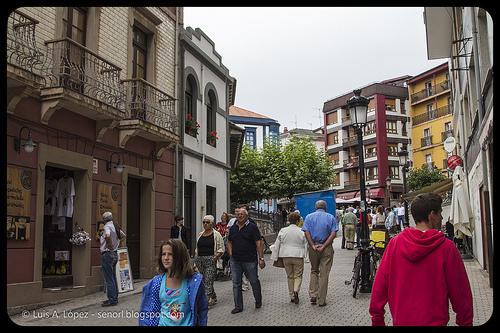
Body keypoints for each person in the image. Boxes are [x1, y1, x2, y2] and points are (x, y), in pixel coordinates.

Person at [369, 192, 473, 326]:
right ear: (431, 215)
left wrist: (377, 320)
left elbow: (379, 286)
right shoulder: (446, 248)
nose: (442, 217)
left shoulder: (395, 244)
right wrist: (465, 321)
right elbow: (461, 292)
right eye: (440, 213)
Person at [139, 239, 208, 326]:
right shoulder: (156, 283)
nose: (166, 258)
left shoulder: (193, 283)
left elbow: (202, 309)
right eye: (163, 254)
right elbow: (148, 311)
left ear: (180, 256)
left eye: (170, 254)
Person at [226, 207, 265, 314]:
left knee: (253, 281)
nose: (239, 216)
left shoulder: (252, 227)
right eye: (238, 215)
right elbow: (229, 242)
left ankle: (258, 300)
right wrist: (230, 254)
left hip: (250, 260)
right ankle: (238, 306)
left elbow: (258, 243)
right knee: (236, 283)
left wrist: (261, 258)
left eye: (242, 214)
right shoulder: (233, 228)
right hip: (236, 260)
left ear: (246, 216)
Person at [301, 200, 338, 307]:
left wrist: (312, 245)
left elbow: (306, 232)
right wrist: (325, 245)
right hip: (326, 248)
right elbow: (333, 233)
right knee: (324, 273)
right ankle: (321, 300)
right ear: (325, 207)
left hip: (313, 247)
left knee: (314, 270)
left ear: (316, 207)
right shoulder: (331, 217)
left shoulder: (308, 217)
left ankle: (313, 294)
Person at [271, 212, 308, 304]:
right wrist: (306, 257)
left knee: (289, 276)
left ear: (288, 220)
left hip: (286, 255)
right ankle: (296, 290)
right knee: (298, 275)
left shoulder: (283, 230)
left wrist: (275, 256)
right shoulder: (302, 231)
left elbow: (277, 244)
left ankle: (291, 295)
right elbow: (306, 244)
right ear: (298, 221)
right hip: (298, 255)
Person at [194, 215, 225, 306]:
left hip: (210, 260)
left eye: (207, 222)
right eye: (204, 222)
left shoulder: (216, 234)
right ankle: (213, 296)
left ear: (211, 223)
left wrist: (215, 258)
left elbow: (221, 248)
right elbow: (197, 248)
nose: (205, 224)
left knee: (208, 281)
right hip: (200, 260)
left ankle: (205, 302)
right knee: (204, 280)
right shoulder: (200, 234)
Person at [100, 211, 120, 306]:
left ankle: (112, 299)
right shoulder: (115, 226)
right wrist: (117, 244)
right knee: (113, 276)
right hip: (115, 253)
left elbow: (107, 235)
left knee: (109, 278)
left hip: (108, 254)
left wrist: (109, 245)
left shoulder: (107, 226)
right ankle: (115, 297)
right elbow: (123, 236)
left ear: (104, 220)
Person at [215, 212, 231, 278]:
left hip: (225, 242)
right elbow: (215, 232)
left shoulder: (228, 225)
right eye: (222, 216)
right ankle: (218, 270)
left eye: (224, 217)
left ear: (226, 218)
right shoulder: (218, 224)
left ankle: (223, 270)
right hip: (218, 242)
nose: (222, 218)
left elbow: (229, 234)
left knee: (225, 256)